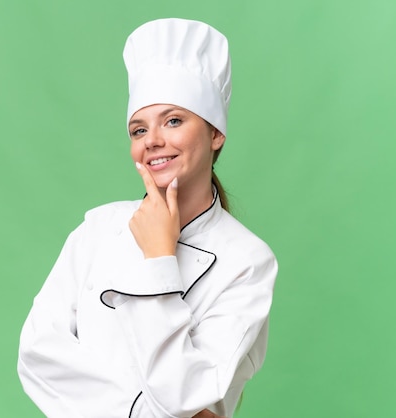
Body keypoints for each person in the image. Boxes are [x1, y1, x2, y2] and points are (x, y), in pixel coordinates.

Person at [17, 18, 278, 418]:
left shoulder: (247, 262)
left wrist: (159, 258)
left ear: (215, 134)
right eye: (138, 130)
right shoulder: (98, 228)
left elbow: (181, 395)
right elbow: (37, 354)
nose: (152, 140)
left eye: (173, 120)